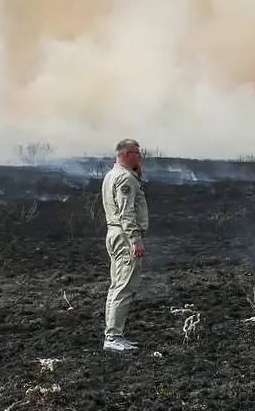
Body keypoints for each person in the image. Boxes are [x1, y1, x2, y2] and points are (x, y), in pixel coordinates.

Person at [101, 138, 149, 352]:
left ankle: (113, 335)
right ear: (128, 154)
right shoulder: (125, 179)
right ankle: (113, 338)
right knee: (124, 287)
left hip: (114, 233)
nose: (141, 158)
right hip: (124, 236)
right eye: (138, 154)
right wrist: (135, 240)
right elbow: (127, 213)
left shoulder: (112, 175)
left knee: (117, 285)